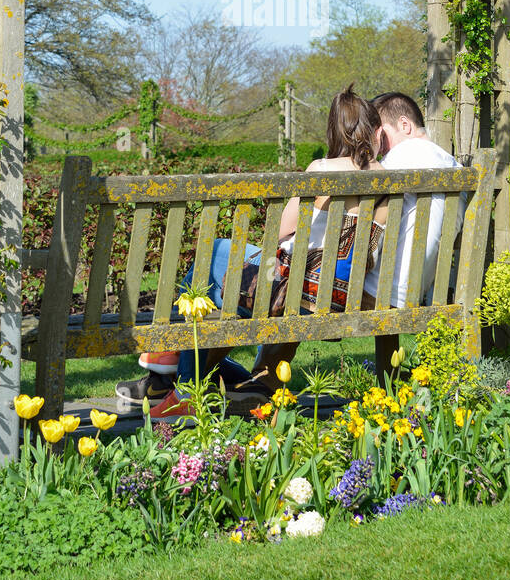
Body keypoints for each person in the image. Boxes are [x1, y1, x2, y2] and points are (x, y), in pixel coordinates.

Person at [141, 85, 389, 419]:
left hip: (298, 287)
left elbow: (283, 230)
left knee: (215, 254)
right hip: (344, 293)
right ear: (373, 130)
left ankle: (176, 372)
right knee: (224, 277)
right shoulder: (391, 178)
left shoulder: (322, 169)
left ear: (333, 131)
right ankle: (212, 375)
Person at [364, 91, 467, 307]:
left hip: (377, 291)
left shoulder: (406, 153)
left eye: (382, 134)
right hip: (415, 293)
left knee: (298, 283)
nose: (379, 145)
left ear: (404, 125)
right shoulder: (455, 168)